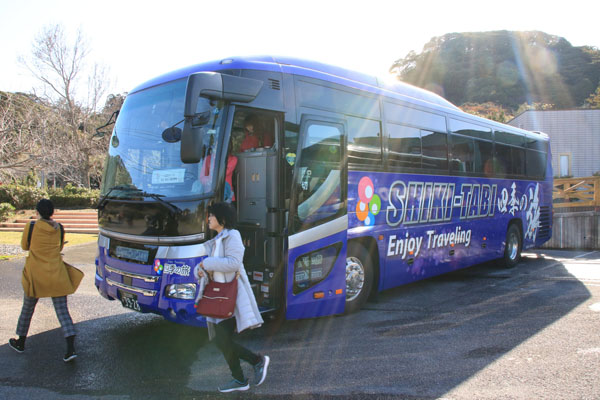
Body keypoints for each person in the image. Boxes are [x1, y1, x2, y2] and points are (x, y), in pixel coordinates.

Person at [195, 202, 269, 392]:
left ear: (223, 219)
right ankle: (240, 378)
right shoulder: (217, 239)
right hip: (217, 295)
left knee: (221, 338)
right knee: (220, 339)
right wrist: (200, 270)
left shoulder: (232, 235)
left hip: (231, 295)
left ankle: (255, 363)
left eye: (211, 215)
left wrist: (207, 263)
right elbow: (207, 265)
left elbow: (234, 263)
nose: (208, 219)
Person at [8, 199, 80, 362]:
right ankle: (70, 349)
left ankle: (21, 342)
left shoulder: (32, 226)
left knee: (28, 308)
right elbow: (60, 247)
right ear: (53, 212)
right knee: (63, 312)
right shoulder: (59, 228)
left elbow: (25, 246)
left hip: (35, 274)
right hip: (57, 274)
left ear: (37, 211)